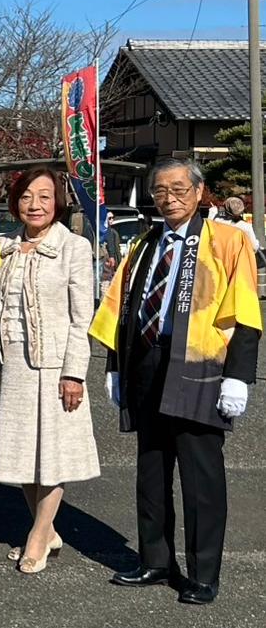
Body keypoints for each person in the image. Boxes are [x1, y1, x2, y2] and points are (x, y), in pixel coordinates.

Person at [89, 158, 261, 606]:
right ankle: (155, 560)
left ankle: (204, 573)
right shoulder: (145, 243)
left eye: (180, 189)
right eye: (161, 190)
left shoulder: (228, 240)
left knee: (201, 474)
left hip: (202, 365)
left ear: (201, 192)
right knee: (151, 468)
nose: (169, 198)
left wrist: (238, 378)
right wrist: (114, 367)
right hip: (147, 362)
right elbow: (122, 309)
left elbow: (245, 311)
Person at [0, 168, 99, 574]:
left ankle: (38, 535)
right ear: (16, 201)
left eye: (45, 197)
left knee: (52, 452)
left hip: (54, 365)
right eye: (28, 196)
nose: (35, 205)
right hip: (12, 362)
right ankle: (45, 529)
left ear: (58, 203)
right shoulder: (4, 246)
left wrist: (74, 373)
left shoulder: (75, 248)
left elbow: (83, 317)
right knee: (20, 453)